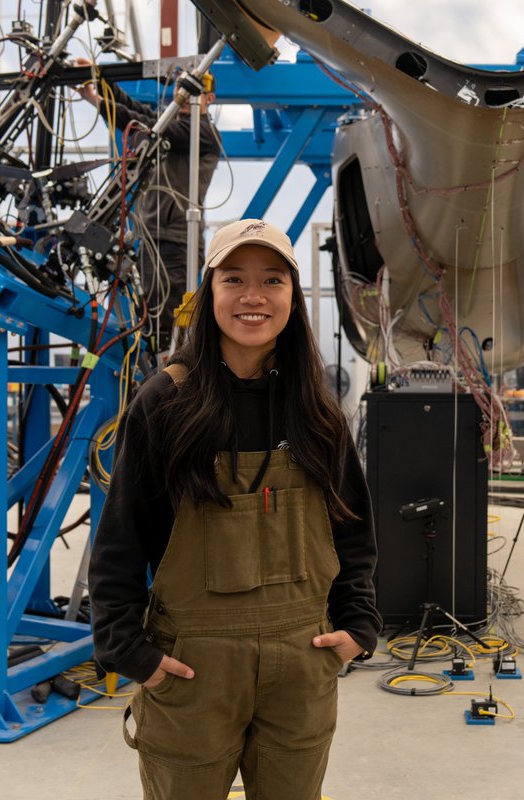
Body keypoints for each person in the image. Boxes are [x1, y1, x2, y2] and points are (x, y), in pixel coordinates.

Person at [89, 219, 381, 799]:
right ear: (209, 293)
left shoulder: (316, 410)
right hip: (195, 668)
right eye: (234, 279)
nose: (254, 296)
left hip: (301, 662)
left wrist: (359, 627)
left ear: (292, 297)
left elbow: (353, 533)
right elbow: (121, 540)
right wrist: (130, 652)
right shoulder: (167, 401)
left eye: (272, 280)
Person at [75, 58, 223, 352]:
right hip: (152, 238)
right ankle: (147, 376)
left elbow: (143, 124)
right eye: (181, 90)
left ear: (209, 98)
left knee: (165, 322)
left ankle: (165, 379)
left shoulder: (203, 134)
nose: (184, 97)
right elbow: (137, 110)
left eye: (192, 92)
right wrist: (103, 79)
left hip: (176, 241)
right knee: (146, 315)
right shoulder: (174, 123)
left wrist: (96, 100)